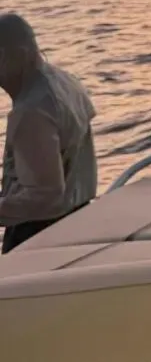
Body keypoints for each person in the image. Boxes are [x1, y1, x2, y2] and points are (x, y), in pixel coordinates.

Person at [0, 13, 97, 253]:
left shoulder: (31, 111)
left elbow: (45, 197)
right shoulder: (66, 81)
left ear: (21, 55)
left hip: (38, 238)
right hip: (79, 221)